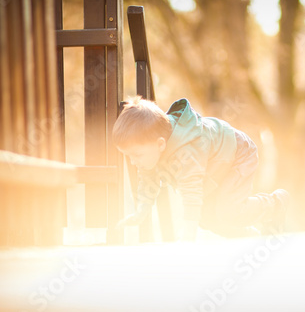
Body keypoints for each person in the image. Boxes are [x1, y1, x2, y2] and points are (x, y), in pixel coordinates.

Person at [113, 97, 289, 241]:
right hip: (214, 167)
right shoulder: (151, 152)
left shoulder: (187, 150)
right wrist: (141, 211)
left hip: (238, 154)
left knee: (226, 209)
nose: (133, 162)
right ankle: (249, 237)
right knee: (206, 219)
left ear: (160, 144)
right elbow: (148, 182)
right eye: (129, 156)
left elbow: (191, 191)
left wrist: (188, 236)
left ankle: (276, 203)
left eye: (136, 155)